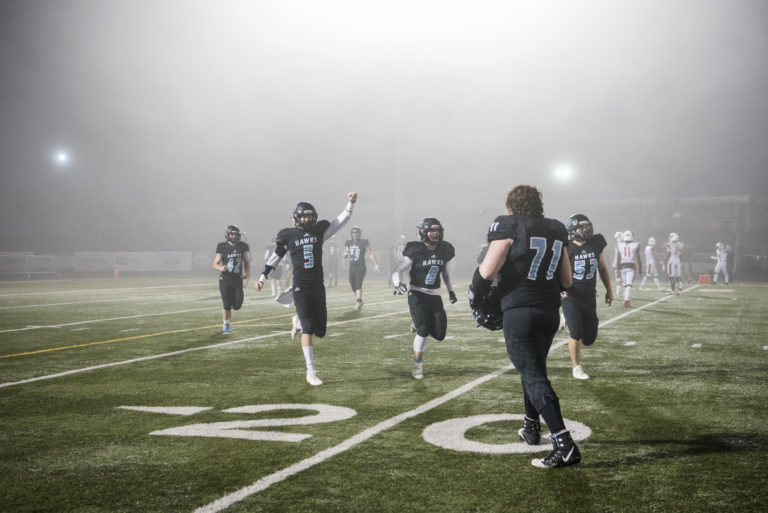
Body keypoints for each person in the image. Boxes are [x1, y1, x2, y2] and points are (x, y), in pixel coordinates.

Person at [469, 184, 580, 469]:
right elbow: (566, 280)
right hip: (549, 309)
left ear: (511, 207)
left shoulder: (508, 224)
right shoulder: (556, 228)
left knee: (533, 375)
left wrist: (477, 294)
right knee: (533, 370)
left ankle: (563, 443)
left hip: (520, 308)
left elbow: (489, 270)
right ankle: (531, 428)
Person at [256, 192, 357, 386]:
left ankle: (298, 321)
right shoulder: (289, 235)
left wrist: (350, 203)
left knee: (320, 330)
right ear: (296, 217)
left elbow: (340, 221)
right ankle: (311, 371)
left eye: (310, 216)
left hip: (317, 285)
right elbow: (275, 258)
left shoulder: (319, 231)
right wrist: (262, 277)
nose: (307, 219)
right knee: (309, 330)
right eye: (304, 216)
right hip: (300, 285)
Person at [392, 218, 457, 380]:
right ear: (423, 233)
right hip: (417, 293)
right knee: (423, 330)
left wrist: (451, 292)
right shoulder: (415, 249)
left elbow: (446, 274)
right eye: (431, 231)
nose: (435, 234)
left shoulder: (445, 249)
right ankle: (417, 366)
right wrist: (397, 283)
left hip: (435, 295)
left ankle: (417, 322)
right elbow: (398, 270)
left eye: (437, 231)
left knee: (440, 334)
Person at [561, 214, 613, 380]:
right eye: (580, 227)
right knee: (575, 332)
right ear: (572, 230)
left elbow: (603, 269)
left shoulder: (596, 244)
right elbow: (555, 271)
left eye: (586, 226)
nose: (584, 230)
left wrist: (609, 291)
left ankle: (568, 318)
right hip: (571, 295)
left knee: (589, 339)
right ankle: (577, 368)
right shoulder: (566, 247)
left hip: (589, 296)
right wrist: (559, 289)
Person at [212, 225, 251, 334]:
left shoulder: (242, 246)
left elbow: (247, 262)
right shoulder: (222, 247)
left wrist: (246, 273)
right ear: (228, 235)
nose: (234, 236)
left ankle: (229, 310)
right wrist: (220, 267)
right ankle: (226, 324)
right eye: (232, 234)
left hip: (237, 279)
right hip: (225, 279)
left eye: (236, 234)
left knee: (237, 305)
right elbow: (215, 263)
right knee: (226, 304)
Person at [344, 226, 379, 311]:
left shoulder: (364, 242)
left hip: (360, 266)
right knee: (353, 286)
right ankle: (360, 300)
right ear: (351, 234)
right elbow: (346, 252)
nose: (355, 234)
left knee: (358, 284)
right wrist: (345, 254)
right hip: (352, 266)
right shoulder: (348, 242)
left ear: (359, 234)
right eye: (354, 233)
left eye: (357, 233)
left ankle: (358, 301)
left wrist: (376, 264)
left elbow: (370, 253)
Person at [616, 230, 642, 307]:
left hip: (622, 266)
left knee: (625, 284)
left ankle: (626, 299)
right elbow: (638, 258)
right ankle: (626, 300)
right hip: (631, 265)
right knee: (628, 284)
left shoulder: (619, 245)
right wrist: (640, 268)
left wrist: (617, 270)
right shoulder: (635, 245)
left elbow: (618, 259)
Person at [611, 231, 624, 297]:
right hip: (618, 264)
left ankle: (619, 293)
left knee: (622, 279)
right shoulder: (619, 245)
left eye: (616, 238)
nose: (616, 239)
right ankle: (618, 293)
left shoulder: (619, 244)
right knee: (620, 279)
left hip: (618, 263)